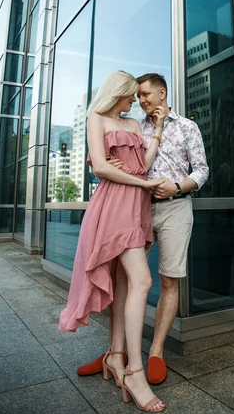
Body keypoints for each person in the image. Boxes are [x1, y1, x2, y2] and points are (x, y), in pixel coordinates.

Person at [78, 73, 209, 385]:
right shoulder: (133, 123)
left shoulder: (187, 127)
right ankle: (116, 352)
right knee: (125, 282)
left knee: (168, 281)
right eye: (136, 96)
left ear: (162, 93)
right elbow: (105, 158)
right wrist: (102, 161)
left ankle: (156, 352)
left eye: (146, 95)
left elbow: (202, 170)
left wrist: (177, 187)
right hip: (136, 210)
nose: (140, 101)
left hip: (176, 209)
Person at [59, 71, 166, 413]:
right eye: (131, 95)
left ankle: (115, 357)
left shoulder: (134, 125)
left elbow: (143, 166)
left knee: (125, 284)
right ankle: (135, 372)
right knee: (143, 280)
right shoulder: (96, 118)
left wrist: (158, 133)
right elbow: (102, 169)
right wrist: (145, 185)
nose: (135, 100)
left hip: (136, 205)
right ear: (117, 93)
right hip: (114, 205)